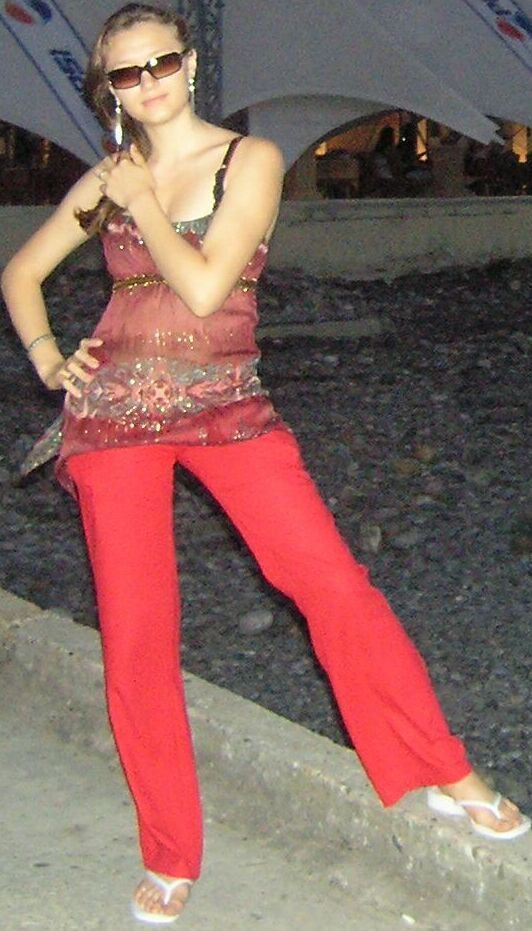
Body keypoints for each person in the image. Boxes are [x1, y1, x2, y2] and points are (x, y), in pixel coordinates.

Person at [2, 2, 529, 924]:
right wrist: (50, 357)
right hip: (116, 419)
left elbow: (208, 288)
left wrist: (138, 203)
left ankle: (445, 768)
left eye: (162, 62)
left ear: (190, 65)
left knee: (334, 586)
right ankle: (171, 850)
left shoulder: (249, 161)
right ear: (108, 90)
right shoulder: (107, 178)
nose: (149, 82)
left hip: (228, 409)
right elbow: (20, 272)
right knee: (137, 635)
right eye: (126, 72)